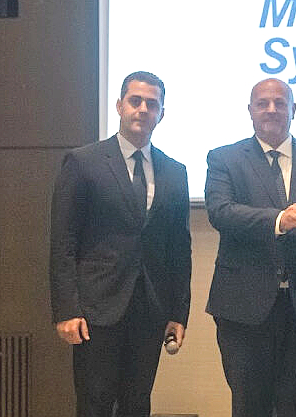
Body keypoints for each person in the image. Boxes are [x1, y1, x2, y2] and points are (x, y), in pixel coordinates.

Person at [205, 78, 296, 417]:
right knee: (248, 405)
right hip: (242, 307)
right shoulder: (224, 158)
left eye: (279, 102)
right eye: (262, 103)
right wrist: (279, 219)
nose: (271, 109)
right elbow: (221, 213)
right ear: (250, 111)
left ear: (293, 110)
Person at [49, 71, 191, 417]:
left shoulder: (175, 171)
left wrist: (178, 312)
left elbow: (179, 248)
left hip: (150, 308)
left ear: (161, 113)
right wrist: (67, 309)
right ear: (119, 106)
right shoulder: (84, 162)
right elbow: (63, 241)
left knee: (137, 402)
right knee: (94, 403)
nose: (143, 109)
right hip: (96, 308)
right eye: (135, 101)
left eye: (152, 104)